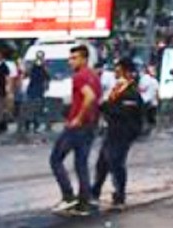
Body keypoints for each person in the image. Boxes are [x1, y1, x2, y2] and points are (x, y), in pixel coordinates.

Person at [50, 45, 102, 216]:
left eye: (74, 58)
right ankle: (84, 203)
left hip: (77, 127)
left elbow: (90, 97)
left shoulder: (80, 77)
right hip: (90, 126)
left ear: (84, 59)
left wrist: (78, 118)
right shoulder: (94, 76)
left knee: (56, 159)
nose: (70, 62)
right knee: (81, 164)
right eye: (70, 58)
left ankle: (68, 196)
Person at [91, 59, 144, 210]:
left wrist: (105, 108)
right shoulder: (119, 88)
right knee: (103, 162)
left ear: (126, 72)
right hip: (113, 130)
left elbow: (124, 112)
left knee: (116, 163)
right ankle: (95, 191)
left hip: (123, 132)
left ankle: (119, 196)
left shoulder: (130, 92)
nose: (115, 72)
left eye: (118, 69)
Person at [24, 51, 50, 133]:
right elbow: (27, 73)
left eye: (41, 57)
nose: (39, 59)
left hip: (39, 90)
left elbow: (47, 77)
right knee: (29, 108)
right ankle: (27, 125)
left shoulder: (44, 66)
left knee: (38, 109)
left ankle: (36, 126)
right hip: (31, 90)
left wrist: (44, 66)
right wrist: (31, 66)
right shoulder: (32, 65)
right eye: (38, 56)